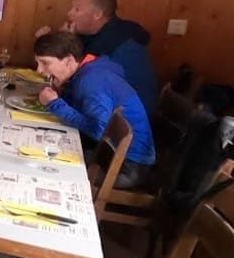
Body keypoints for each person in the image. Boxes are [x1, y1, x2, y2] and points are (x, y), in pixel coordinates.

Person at [33, 30, 156, 188]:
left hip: (127, 166)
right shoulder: (90, 68)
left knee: (45, 164)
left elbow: (98, 129)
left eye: (45, 63)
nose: (39, 70)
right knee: (44, 149)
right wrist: (61, 91)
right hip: (114, 154)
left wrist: (55, 104)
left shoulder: (92, 80)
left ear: (69, 61)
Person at [35, 0, 157, 114]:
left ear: (97, 14)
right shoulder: (95, 33)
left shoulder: (113, 40)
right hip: (105, 108)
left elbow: (73, 79)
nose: (69, 13)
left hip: (123, 121)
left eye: (76, 9)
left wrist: (65, 40)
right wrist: (53, 42)